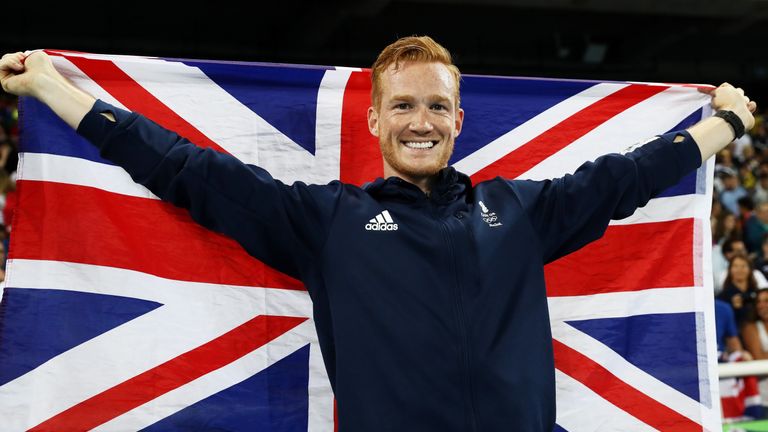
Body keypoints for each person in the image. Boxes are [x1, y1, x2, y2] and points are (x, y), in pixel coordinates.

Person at [0, 37, 758, 431]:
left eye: (435, 106)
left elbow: (629, 176)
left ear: (460, 120)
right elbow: (187, 170)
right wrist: (50, 89)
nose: (420, 121)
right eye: (401, 106)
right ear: (373, 121)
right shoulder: (328, 224)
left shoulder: (521, 213)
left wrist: (725, 124)